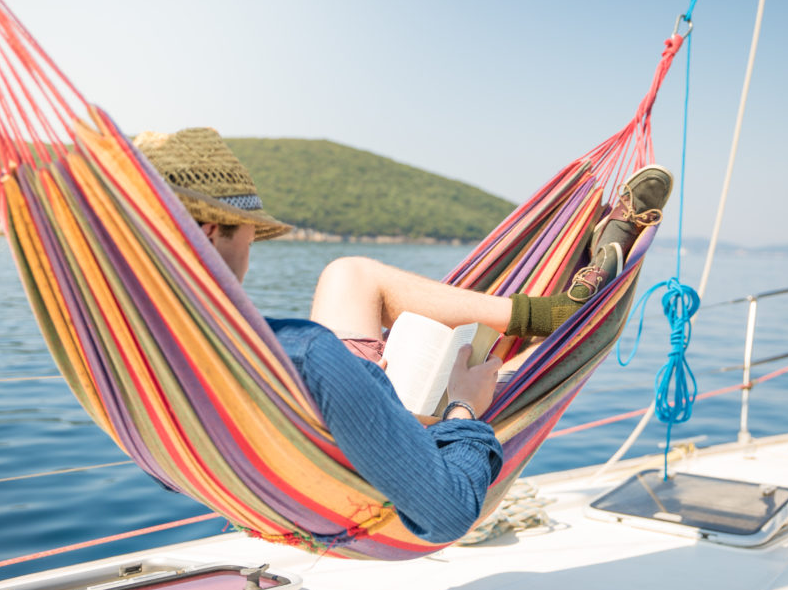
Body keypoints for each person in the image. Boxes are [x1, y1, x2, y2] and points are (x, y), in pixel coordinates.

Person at [133, 127, 671, 543]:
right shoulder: (304, 354)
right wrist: (462, 408)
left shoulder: (127, 357)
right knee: (476, 376)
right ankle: (567, 320)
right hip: (372, 494)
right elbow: (450, 511)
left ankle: (546, 312)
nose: (252, 250)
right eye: (251, 234)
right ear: (210, 231)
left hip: (292, 461)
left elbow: (186, 469)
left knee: (351, 274)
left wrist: (354, 396)